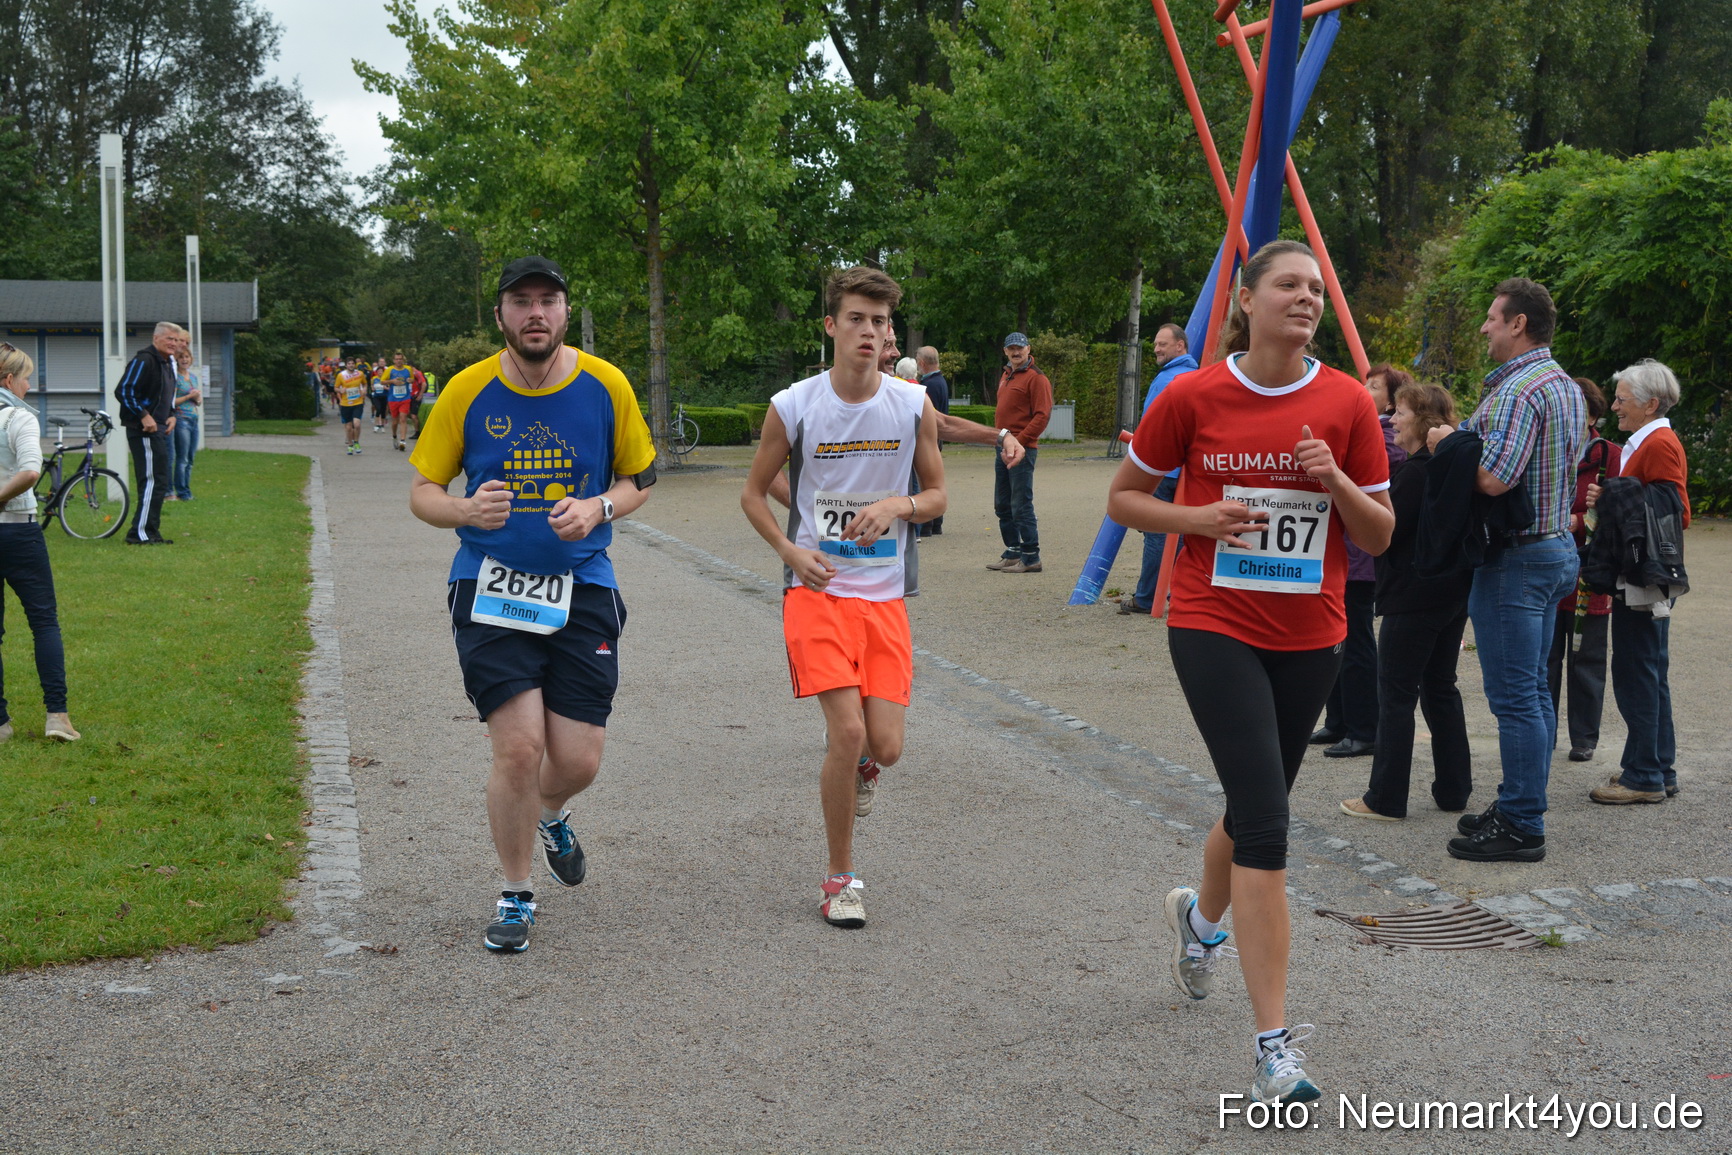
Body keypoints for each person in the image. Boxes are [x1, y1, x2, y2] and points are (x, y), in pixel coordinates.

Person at [1107, 240, 1393, 1105]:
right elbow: (1125, 497)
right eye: (1289, 285)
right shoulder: (1193, 393)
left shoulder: (1345, 399)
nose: (1306, 299)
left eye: (1315, 288)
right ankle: (1275, 1049)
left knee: (1248, 802)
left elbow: (1378, 534)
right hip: (1211, 621)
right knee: (1268, 821)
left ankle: (1199, 922)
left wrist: (1335, 477)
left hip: (1312, 635)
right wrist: (1197, 515)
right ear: (1247, 298)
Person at [409, 255, 657, 953]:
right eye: (521, 302)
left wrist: (600, 506)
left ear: (565, 311)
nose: (536, 313)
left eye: (548, 300)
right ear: (501, 316)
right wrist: (463, 507)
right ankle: (516, 892)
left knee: (576, 759)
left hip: (583, 585)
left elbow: (641, 477)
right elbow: (422, 491)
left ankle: (552, 812)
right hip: (489, 584)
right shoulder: (465, 390)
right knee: (518, 748)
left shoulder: (606, 384)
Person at [741, 266, 946, 930]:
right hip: (817, 591)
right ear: (831, 325)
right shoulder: (794, 404)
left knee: (884, 746)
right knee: (848, 728)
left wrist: (899, 503)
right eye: (857, 318)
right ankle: (840, 878)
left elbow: (938, 494)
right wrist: (792, 552)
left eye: (881, 321)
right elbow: (754, 492)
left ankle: (864, 768)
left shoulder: (912, 404)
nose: (871, 331)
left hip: (884, 597)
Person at [1428, 278, 1585, 863]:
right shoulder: (1564, 385)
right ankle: (1522, 801)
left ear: (1519, 323)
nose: (1484, 327)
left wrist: (1448, 442)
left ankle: (1522, 824)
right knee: (1535, 695)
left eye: (1492, 318)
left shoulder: (1520, 390)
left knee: (1516, 698)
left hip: (1516, 558)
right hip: (1553, 550)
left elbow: (1496, 477)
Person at [1340, 381, 1471, 820]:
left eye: (1400, 413)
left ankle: (1385, 797)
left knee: (1396, 693)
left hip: (1414, 595)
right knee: (1440, 688)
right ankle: (1454, 789)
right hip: (1451, 593)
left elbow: (1385, 530)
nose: (1391, 420)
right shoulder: (1451, 466)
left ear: (1425, 420)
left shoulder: (1417, 472)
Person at [1586, 359, 1690, 805]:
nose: (1615, 406)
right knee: (1647, 671)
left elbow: (1676, 512)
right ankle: (1656, 767)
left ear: (1650, 404)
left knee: (1637, 673)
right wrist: (1609, 497)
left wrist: (1614, 495)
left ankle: (1645, 774)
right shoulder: (1646, 439)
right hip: (1643, 575)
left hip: (1644, 577)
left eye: (1622, 399)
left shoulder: (1660, 442)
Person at [1312, 363, 1410, 754]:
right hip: (1343, 552)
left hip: (1361, 558)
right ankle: (1337, 721)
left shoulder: (1385, 436)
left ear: (1391, 399)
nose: (1363, 390)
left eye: (1373, 386)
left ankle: (1364, 729)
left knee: (1356, 643)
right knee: (1337, 642)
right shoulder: (1367, 429)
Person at [0, 344, 79, 744]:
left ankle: (0, 723)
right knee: (43, 622)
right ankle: (57, 716)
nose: (30, 386)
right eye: (27, 377)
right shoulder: (19, 417)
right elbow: (31, 472)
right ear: (9, 380)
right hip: (17, 529)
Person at [1546, 378, 1619, 763]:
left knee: (1586, 658)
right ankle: (1545, 732)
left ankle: (1584, 738)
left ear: (1591, 413)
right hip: (1550, 566)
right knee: (1546, 657)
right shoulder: (1550, 448)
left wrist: (1581, 518)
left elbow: (1624, 515)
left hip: (1590, 570)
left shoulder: (1611, 455)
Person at [1119, 323, 1198, 615]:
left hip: (1163, 470)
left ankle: (1149, 596)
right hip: (1184, 472)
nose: (1156, 349)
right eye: (1155, 344)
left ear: (1181, 346)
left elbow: (1154, 429)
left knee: (1156, 531)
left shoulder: (1168, 381)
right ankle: (1174, 590)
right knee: (1179, 531)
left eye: (1162, 344)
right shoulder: (1193, 376)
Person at [988, 333, 1051, 574]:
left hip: (1022, 450)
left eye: (1020, 348)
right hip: (1002, 445)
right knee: (1002, 504)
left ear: (1028, 349)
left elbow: (1042, 415)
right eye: (1011, 348)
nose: (1016, 352)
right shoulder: (1007, 374)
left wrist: (1020, 442)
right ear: (1005, 351)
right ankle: (1013, 551)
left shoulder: (1037, 378)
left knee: (1020, 504)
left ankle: (1031, 556)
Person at [115, 322, 181, 545]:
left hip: (160, 429)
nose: (174, 343)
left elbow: (166, 394)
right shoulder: (145, 360)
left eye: (176, 340)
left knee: (160, 480)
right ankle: (139, 534)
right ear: (156, 338)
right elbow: (124, 390)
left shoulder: (167, 363)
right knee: (152, 480)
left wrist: (172, 414)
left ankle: (151, 531)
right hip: (143, 430)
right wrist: (143, 415)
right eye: (169, 339)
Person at [915, 346, 950, 537]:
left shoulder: (930, 385)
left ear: (921, 363)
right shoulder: (940, 381)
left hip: (931, 437)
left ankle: (928, 524)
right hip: (937, 437)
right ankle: (936, 523)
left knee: (926, 482)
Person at [167, 329, 201, 502]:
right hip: (181, 420)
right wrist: (189, 396)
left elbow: (198, 400)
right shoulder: (175, 377)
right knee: (182, 458)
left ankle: (185, 490)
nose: (185, 360)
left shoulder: (193, 377)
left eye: (187, 357)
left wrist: (197, 397)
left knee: (190, 459)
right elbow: (172, 401)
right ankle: (182, 492)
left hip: (194, 418)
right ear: (177, 360)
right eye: (182, 358)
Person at [335, 360, 369, 454]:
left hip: (358, 402)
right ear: (346, 365)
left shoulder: (360, 374)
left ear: (355, 365)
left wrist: (364, 390)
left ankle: (356, 442)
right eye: (349, 364)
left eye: (352, 364)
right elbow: (336, 387)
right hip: (346, 403)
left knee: (357, 424)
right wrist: (340, 390)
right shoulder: (341, 375)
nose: (351, 365)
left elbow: (365, 383)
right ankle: (350, 445)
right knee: (349, 426)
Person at [385, 353, 416, 450]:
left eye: (400, 359)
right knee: (395, 421)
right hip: (393, 398)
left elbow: (412, 379)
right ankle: (394, 436)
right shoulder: (389, 370)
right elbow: (382, 381)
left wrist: (411, 380)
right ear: (394, 360)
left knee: (403, 418)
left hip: (405, 398)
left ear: (403, 360)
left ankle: (403, 441)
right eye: (397, 359)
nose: (399, 361)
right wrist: (392, 381)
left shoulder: (408, 369)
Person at [369, 361, 389, 433]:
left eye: (381, 371)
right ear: (377, 372)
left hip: (384, 396)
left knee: (383, 411)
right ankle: (376, 425)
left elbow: (389, 387)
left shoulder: (386, 379)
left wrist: (386, 388)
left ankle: (382, 425)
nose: (380, 372)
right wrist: (372, 388)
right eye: (379, 371)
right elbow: (371, 385)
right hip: (376, 396)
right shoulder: (374, 378)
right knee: (378, 409)